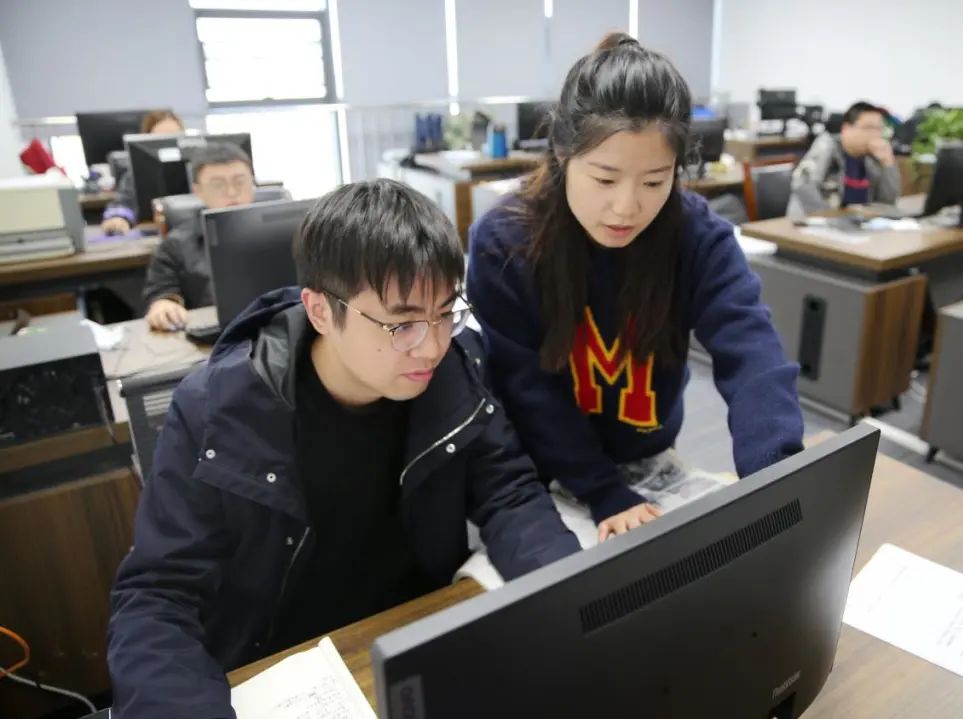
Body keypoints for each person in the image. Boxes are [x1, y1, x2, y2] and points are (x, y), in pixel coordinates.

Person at [107, 179, 580, 717]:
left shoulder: (454, 366)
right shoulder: (218, 408)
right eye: (402, 324)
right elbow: (157, 597)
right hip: (276, 669)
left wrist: (575, 604)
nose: (431, 345)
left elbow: (510, 494)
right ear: (320, 312)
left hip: (409, 645)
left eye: (446, 312)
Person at [467, 33, 804, 543]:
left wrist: (777, 479)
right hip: (543, 467)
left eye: (654, 182)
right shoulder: (506, 241)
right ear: (562, 153)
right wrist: (602, 490)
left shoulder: (696, 236)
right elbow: (528, 388)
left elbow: (753, 354)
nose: (627, 208)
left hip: (648, 454)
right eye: (604, 180)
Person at [143, 141, 255, 330]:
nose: (231, 192)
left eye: (239, 182)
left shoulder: (285, 230)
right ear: (198, 191)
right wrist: (164, 305)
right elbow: (161, 294)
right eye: (218, 185)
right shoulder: (175, 245)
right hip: (217, 335)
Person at [787, 101, 901, 217]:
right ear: (846, 129)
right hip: (814, 221)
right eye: (869, 128)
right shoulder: (827, 146)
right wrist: (831, 218)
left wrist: (888, 163)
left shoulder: (871, 159)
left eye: (879, 129)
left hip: (858, 223)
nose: (875, 134)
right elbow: (802, 186)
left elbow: (887, 203)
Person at [100, 109, 184, 235]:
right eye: (160, 138)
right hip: (153, 234)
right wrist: (118, 218)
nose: (168, 144)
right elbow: (123, 203)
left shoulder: (198, 169)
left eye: (173, 136)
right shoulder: (135, 174)